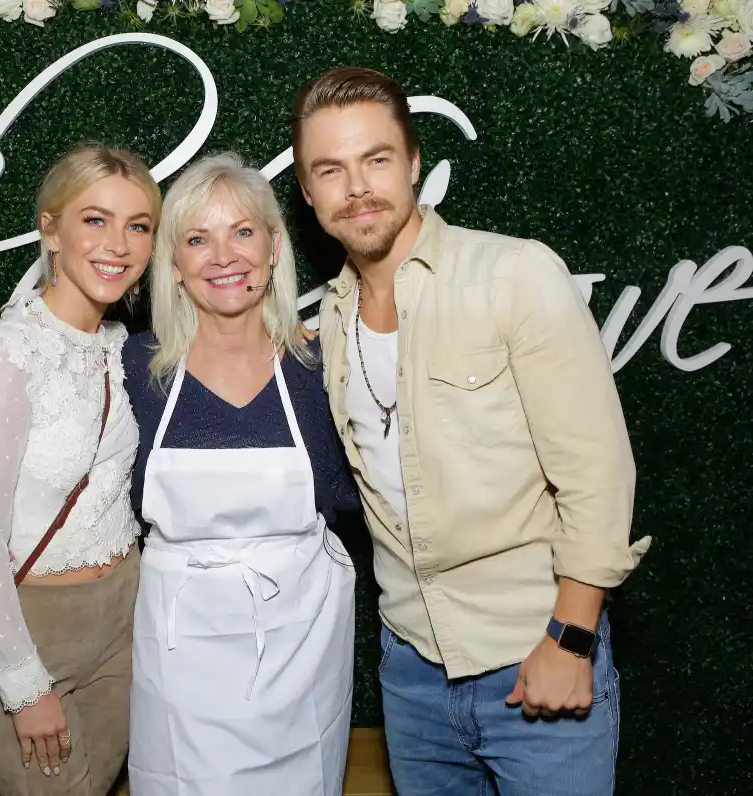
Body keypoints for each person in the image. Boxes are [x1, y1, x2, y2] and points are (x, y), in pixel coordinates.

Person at [289, 67, 652, 796]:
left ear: (415, 162)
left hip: (535, 660)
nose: (356, 187)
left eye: (377, 160)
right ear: (305, 190)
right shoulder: (329, 315)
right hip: (411, 677)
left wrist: (570, 639)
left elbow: (598, 472)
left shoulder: (514, 275)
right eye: (330, 169)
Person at [122, 152, 358, 796]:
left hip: (302, 647)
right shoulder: (133, 371)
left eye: (243, 232)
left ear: (275, 245)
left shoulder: (321, 366)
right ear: (173, 262)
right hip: (181, 656)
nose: (223, 256)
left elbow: (362, 496)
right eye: (198, 238)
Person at [0, 144, 160, 796]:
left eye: (139, 225)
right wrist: (21, 683)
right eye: (95, 219)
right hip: (32, 631)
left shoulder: (124, 349)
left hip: (124, 621)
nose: (117, 243)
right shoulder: (3, 358)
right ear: (50, 227)